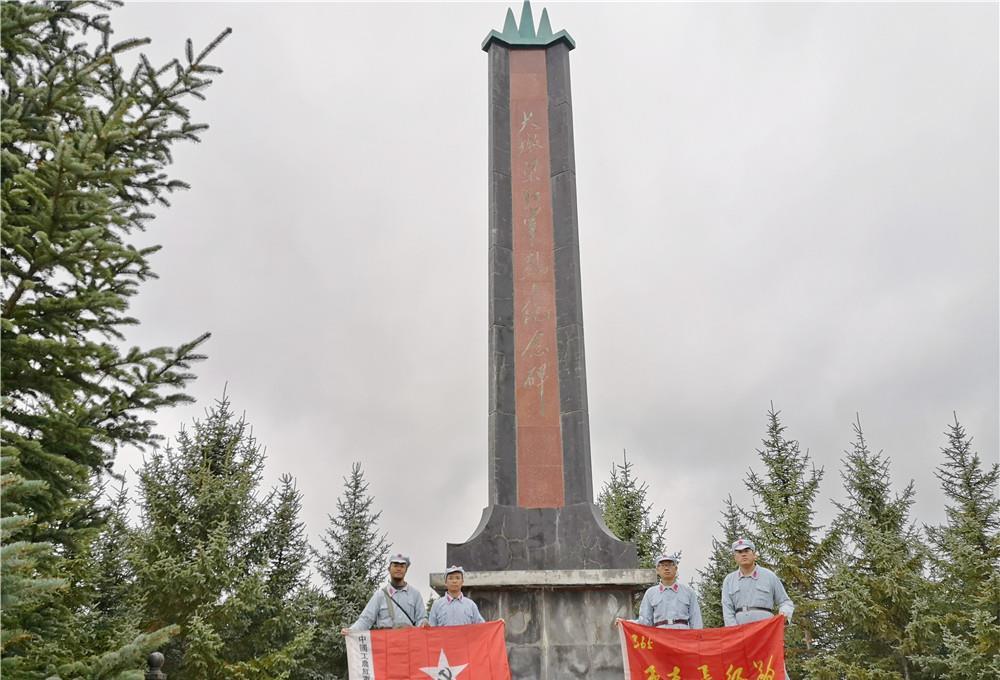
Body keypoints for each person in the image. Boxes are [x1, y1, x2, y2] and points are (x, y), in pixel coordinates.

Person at [341, 553, 428, 634]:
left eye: (402, 566)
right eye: (395, 565)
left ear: (406, 570)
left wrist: (424, 623)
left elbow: (421, 619)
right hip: (386, 644)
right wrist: (351, 631)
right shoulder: (380, 595)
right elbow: (366, 619)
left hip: (409, 642)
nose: (398, 569)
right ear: (389, 569)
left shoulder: (415, 594)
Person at [617, 551, 703, 629]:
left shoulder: (688, 592)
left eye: (670, 565)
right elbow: (645, 622)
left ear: (676, 569)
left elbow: (696, 622)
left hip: (683, 639)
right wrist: (626, 623)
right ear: (657, 570)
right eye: (662, 565)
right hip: (661, 639)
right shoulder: (651, 593)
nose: (666, 568)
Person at [721, 538, 794, 627]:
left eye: (747, 551)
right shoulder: (729, 580)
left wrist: (784, 613)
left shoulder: (769, 576)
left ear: (755, 555)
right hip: (740, 633)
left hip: (766, 630)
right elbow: (727, 610)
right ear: (735, 557)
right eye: (739, 552)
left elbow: (785, 602)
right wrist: (734, 632)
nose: (743, 554)